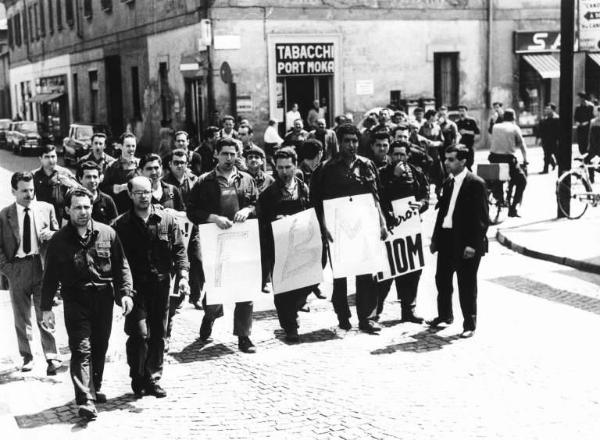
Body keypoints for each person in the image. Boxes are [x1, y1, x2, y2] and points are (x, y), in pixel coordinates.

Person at [41, 187, 134, 420]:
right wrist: (46, 309)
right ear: (67, 210)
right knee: (82, 349)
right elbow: (50, 276)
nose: (83, 212)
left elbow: (122, 266)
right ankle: (86, 401)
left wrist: (126, 294)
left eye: (86, 206)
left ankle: (95, 385)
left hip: (103, 299)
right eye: (78, 207)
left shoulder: (107, 233)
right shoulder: (59, 241)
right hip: (75, 300)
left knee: (100, 346)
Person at [113, 176, 189, 399]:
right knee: (138, 333)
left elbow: (179, 251)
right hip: (135, 289)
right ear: (130, 194)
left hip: (161, 286)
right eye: (138, 192)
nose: (144, 196)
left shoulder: (166, 219)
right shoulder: (121, 225)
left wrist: (183, 276)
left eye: (147, 192)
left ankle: (153, 378)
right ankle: (138, 377)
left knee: (158, 334)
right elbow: (117, 261)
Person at [310, 124, 389, 333]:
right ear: (339, 142)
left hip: (364, 227)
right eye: (347, 141)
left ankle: (367, 319)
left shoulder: (367, 165)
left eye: (355, 141)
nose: (351, 145)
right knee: (341, 277)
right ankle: (343, 316)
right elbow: (316, 201)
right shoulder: (326, 168)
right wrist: (323, 226)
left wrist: (381, 222)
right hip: (338, 229)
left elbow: (376, 197)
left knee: (367, 273)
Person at [186, 138, 259, 353]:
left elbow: (257, 203)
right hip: (215, 242)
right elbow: (192, 211)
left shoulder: (246, 180)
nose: (229, 158)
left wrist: (248, 210)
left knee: (245, 288)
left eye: (233, 154)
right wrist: (213, 218)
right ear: (216, 155)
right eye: (225, 153)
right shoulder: (203, 182)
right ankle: (209, 317)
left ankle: (244, 336)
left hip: (242, 242)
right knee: (218, 288)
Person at [0, 172, 61, 375]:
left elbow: (59, 237)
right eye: (24, 190)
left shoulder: (46, 208)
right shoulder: (4, 215)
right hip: (17, 268)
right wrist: (8, 270)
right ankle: (27, 357)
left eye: (31, 190)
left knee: (45, 312)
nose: (29, 194)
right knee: (21, 316)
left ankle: (52, 357)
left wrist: (52, 235)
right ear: (13, 191)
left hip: (41, 267)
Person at [428, 145, 488, 339]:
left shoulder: (475, 183)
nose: (446, 163)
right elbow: (442, 214)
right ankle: (445, 315)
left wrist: (472, 245)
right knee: (442, 279)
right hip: (446, 239)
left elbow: (481, 219)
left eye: (451, 159)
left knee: (466, 283)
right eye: (446, 159)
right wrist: (436, 239)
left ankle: (469, 323)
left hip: (465, 242)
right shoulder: (448, 182)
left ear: (463, 161)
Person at [257, 148, 313, 342]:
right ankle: (290, 326)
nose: (284, 171)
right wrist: (276, 221)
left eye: (288, 167)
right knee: (283, 288)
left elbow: (311, 212)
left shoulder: (303, 188)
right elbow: (262, 222)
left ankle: (296, 305)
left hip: (301, 243)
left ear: (295, 166)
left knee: (310, 281)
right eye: (280, 167)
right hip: (278, 246)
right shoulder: (268, 194)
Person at [376, 142, 429, 322]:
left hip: (410, 226)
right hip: (389, 227)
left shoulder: (416, 172)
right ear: (389, 155)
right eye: (396, 154)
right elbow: (378, 197)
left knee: (412, 269)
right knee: (386, 270)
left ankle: (409, 310)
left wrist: (420, 204)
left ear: (407, 155)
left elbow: (425, 195)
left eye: (403, 155)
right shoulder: (381, 173)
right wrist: (394, 178)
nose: (399, 158)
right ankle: (376, 309)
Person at [489, 109, 528, 217]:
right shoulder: (515, 128)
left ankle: (499, 197)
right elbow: (522, 146)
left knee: (498, 178)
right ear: (514, 118)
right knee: (522, 181)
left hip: (493, 158)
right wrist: (525, 160)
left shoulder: (495, 127)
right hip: (508, 159)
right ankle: (513, 208)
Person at [33, 145, 79, 225]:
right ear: (40, 158)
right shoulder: (34, 175)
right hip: (43, 218)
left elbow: (80, 191)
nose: (51, 160)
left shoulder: (65, 173)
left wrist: (70, 183)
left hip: (63, 219)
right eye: (47, 157)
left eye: (53, 156)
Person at [101, 132, 140, 213]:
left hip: (138, 209)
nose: (131, 149)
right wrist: (117, 188)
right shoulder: (112, 166)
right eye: (128, 146)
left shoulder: (141, 165)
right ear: (121, 146)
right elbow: (103, 189)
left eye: (133, 146)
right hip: (118, 210)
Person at [455, 105, 481, 170]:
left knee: (470, 162)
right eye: (460, 111)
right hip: (460, 146)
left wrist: (466, 131)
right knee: (461, 164)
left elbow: (477, 132)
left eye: (463, 111)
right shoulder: (457, 122)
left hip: (469, 145)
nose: (461, 113)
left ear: (466, 112)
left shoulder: (471, 121)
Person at [536, 103, 559, 173]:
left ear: (552, 110)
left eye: (548, 109)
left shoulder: (557, 119)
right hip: (546, 140)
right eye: (546, 109)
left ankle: (561, 168)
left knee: (557, 155)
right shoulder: (544, 119)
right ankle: (546, 169)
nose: (546, 110)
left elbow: (559, 130)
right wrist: (539, 138)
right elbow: (540, 129)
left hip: (554, 140)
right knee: (546, 155)